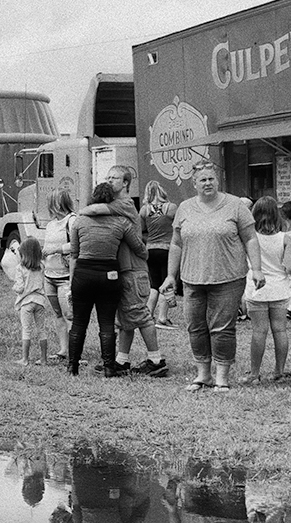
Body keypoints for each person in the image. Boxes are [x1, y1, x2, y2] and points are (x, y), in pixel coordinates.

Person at [159, 163, 261, 392]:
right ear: (194, 184)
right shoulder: (184, 208)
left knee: (222, 328)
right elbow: (176, 243)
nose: (207, 183)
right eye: (202, 180)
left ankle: (222, 377)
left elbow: (251, 238)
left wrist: (257, 269)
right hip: (192, 278)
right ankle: (203, 375)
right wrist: (170, 276)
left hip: (228, 277)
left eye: (211, 179)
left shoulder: (235, 205)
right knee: (195, 327)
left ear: (217, 181)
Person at [82, 164, 166, 376]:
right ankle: (122, 361)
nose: (109, 181)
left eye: (114, 178)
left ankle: (156, 360)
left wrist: (81, 212)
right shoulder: (118, 203)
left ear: (126, 183)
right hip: (122, 269)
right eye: (108, 177)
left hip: (133, 270)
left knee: (140, 314)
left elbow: (93, 209)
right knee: (125, 317)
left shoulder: (125, 204)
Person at [64, 181, 144, 377]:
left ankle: (72, 367)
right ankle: (109, 367)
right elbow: (139, 247)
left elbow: (74, 253)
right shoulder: (121, 222)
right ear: (112, 201)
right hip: (109, 275)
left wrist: (71, 283)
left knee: (79, 324)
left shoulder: (79, 221)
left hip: (83, 274)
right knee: (106, 323)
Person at [244, 196, 291, 382]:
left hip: (256, 288)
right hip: (280, 289)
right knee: (280, 331)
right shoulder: (285, 238)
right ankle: (279, 372)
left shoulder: (250, 237)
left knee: (259, 331)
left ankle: (254, 374)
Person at [38, 188, 75, 357]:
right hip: (49, 275)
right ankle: (63, 349)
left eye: (53, 202)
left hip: (66, 276)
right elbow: (47, 246)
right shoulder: (51, 224)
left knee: (70, 314)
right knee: (57, 314)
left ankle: (75, 350)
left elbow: (77, 245)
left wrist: (57, 249)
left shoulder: (72, 221)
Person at [13, 236, 56, 365]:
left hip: (26, 302)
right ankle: (43, 359)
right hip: (40, 301)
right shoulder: (41, 266)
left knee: (26, 329)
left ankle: (25, 359)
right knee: (41, 329)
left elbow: (20, 288)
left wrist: (14, 286)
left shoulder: (20, 268)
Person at [142, 181, 175, 329]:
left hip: (150, 249)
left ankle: (148, 315)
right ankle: (162, 318)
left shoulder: (144, 210)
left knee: (154, 285)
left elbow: (141, 231)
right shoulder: (171, 208)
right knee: (166, 283)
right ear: (162, 192)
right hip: (167, 249)